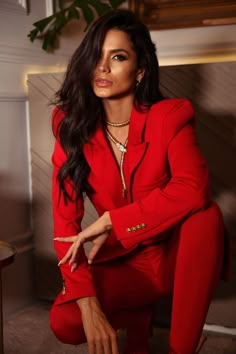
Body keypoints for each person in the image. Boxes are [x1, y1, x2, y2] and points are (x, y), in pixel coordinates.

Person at [49, 9, 226, 354]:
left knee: (207, 216)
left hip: (177, 254)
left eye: (117, 57)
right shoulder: (69, 125)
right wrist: (88, 306)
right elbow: (64, 226)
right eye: (96, 57)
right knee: (65, 322)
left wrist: (115, 219)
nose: (102, 67)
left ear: (140, 70)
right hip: (126, 261)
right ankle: (137, 315)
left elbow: (193, 189)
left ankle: (182, 348)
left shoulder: (170, 116)